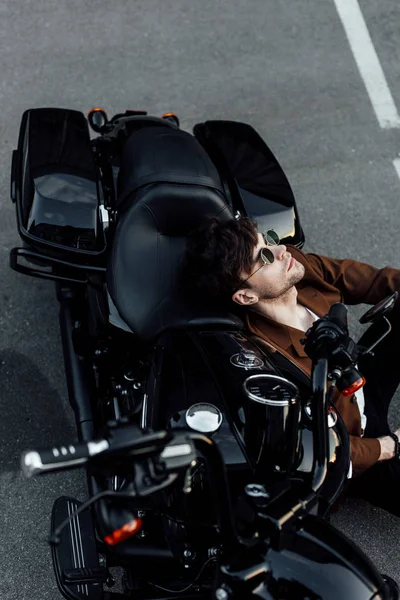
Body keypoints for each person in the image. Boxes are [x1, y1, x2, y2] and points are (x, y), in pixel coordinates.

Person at [183, 216, 400, 517]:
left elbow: (368, 280)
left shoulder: (295, 267)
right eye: (265, 256)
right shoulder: (269, 364)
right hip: (352, 438)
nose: (281, 250)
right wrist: (386, 446)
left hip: (356, 379)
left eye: (269, 240)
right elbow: (320, 446)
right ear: (246, 295)